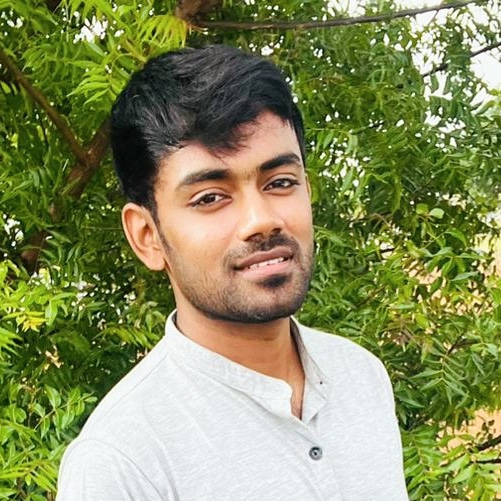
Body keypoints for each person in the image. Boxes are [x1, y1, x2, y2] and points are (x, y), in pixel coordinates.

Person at [56, 45, 409, 500]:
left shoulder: (361, 377)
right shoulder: (123, 462)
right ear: (147, 236)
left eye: (280, 183)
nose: (262, 220)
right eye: (210, 197)